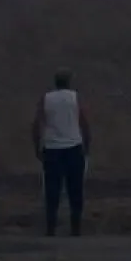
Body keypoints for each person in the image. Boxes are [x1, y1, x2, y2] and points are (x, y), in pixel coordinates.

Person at [31, 68, 91, 237]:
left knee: (52, 190)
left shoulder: (46, 99)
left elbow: (37, 124)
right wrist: (87, 144)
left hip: (52, 148)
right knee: (76, 190)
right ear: (69, 82)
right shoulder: (75, 98)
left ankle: (51, 227)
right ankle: (75, 227)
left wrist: (37, 146)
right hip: (73, 146)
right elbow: (84, 122)